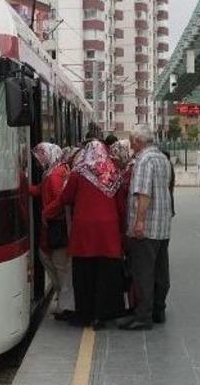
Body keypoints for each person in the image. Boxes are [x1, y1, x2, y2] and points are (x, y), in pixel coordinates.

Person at [44, 140, 125, 330]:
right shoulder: (113, 173)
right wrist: (122, 230)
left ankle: (85, 315)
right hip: (108, 232)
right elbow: (121, 206)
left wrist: (47, 212)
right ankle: (103, 315)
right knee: (106, 273)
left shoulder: (79, 172)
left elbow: (65, 198)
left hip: (84, 232)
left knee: (84, 274)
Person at [119, 125, 173, 331]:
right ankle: (159, 310)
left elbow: (143, 194)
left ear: (139, 141)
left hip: (147, 226)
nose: (131, 145)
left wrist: (139, 222)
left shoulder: (143, 160)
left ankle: (143, 316)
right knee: (161, 271)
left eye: (132, 141)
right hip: (163, 225)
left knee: (143, 273)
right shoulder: (162, 158)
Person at [29, 142, 75, 320]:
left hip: (56, 227)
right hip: (54, 226)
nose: (39, 161)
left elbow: (60, 200)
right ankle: (64, 302)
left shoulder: (55, 175)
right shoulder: (53, 171)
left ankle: (66, 306)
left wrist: (46, 213)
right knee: (53, 262)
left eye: (41, 156)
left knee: (58, 265)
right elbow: (39, 190)